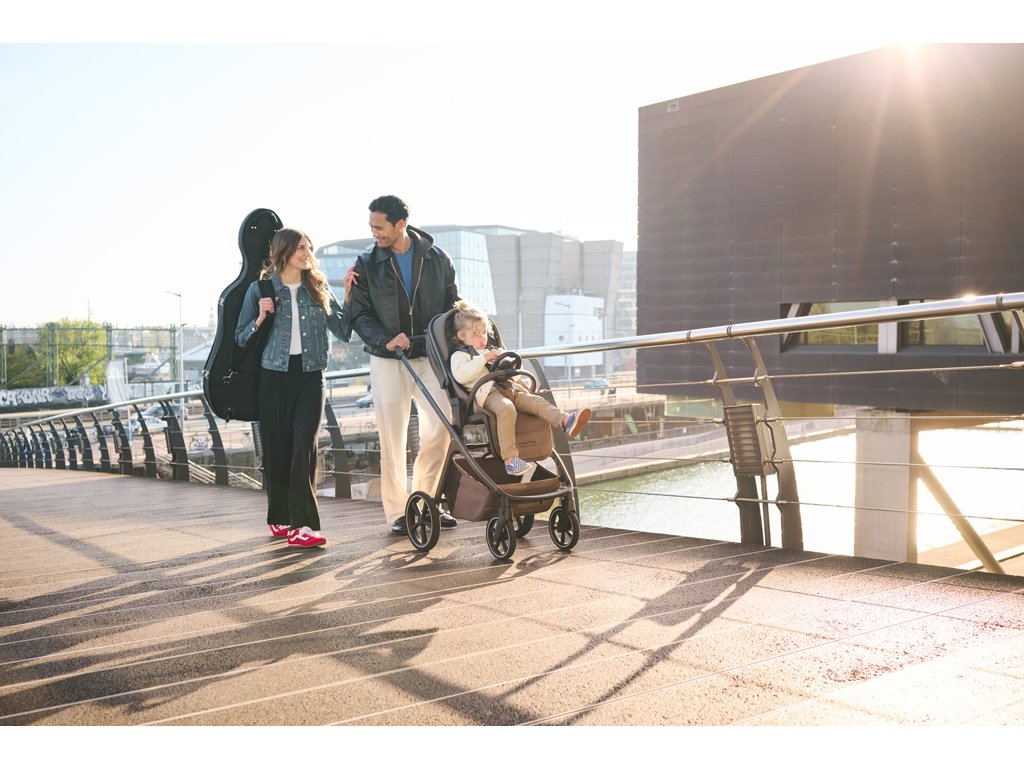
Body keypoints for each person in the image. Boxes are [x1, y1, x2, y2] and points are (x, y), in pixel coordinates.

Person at [235, 228, 355, 548]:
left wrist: (347, 296)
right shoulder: (261, 289)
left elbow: (343, 331)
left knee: (305, 447)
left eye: (309, 248)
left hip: (311, 376)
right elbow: (241, 337)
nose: (307, 254)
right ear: (283, 252)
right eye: (301, 248)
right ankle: (280, 515)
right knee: (277, 450)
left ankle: (304, 526)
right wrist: (261, 317)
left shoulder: (318, 287)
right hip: (273, 376)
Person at [349, 195, 460, 534]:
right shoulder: (366, 263)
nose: (374, 233)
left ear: (400, 225)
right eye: (371, 227)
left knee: (443, 423)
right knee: (392, 437)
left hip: (429, 356)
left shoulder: (438, 259)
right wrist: (385, 338)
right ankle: (399, 510)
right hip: (388, 359)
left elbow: (451, 305)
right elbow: (359, 314)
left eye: (379, 227)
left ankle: (427, 500)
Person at [449, 300, 591, 476]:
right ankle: (510, 459)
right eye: (477, 334)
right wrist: (484, 359)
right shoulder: (460, 355)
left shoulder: (493, 350)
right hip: (487, 394)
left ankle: (566, 421)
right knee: (506, 408)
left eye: (484, 333)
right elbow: (461, 375)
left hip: (510, 388)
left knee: (536, 402)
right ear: (462, 336)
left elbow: (514, 375)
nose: (483, 338)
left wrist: (507, 363)